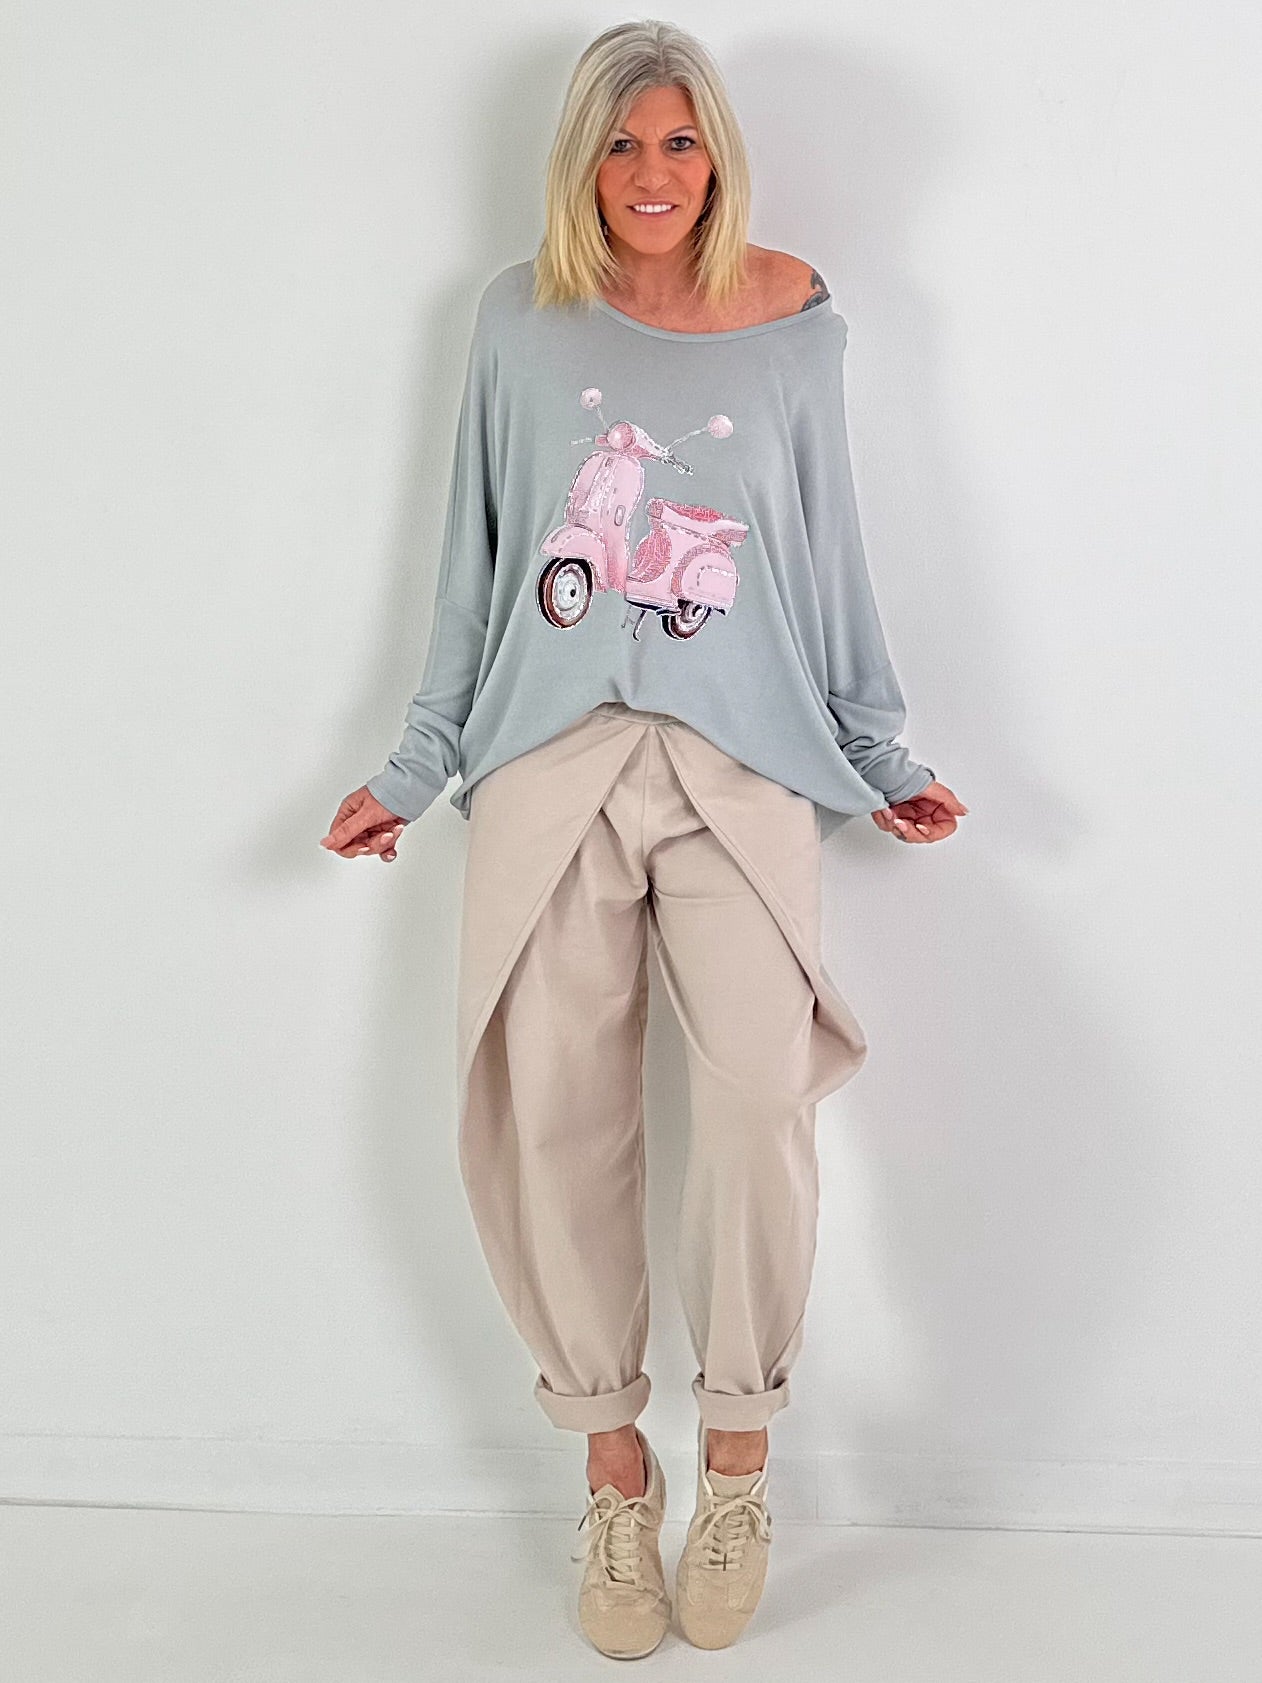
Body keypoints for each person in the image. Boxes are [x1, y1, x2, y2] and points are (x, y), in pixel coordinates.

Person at [320, 18, 968, 1660]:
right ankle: (612, 1473)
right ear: (582, 161)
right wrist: (416, 762)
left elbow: (825, 549)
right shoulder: (518, 317)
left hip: (743, 765)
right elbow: (474, 559)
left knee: (755, 1107)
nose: (651, 174)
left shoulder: (791, 317)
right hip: (548, 759)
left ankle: (738, 1462)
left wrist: (875, 752)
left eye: (677, 142)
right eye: (620, 145)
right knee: (554, 1118)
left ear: (715, 154)